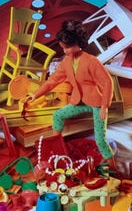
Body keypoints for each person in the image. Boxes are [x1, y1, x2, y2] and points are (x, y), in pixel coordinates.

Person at [26, 20, 114, 159]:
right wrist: (35, 94)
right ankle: (56, 146)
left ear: (78, 44)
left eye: (67, 47)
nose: (65, 51)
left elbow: (107, 82)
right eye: (63, 47)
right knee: (57, 115)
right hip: (79, 101)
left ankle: (112, 165)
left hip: (97, 103)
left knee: (100, 140)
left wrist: (104, 106)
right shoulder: (66, 61)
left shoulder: (91, 61)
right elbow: (53, 80)